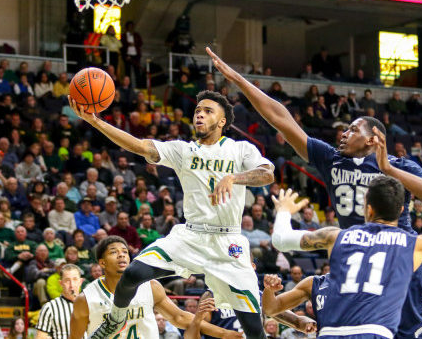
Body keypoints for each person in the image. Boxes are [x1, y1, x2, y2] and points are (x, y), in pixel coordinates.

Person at [207, 47, 422, 339]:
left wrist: (388, 168)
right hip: (363, 264)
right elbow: (280, 118)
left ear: (373, 139)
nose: (343, 134)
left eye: (352, 129)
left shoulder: (399, 165)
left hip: (407, 260)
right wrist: (239, 80)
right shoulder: (331, 159)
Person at [69, 87, 275, 338]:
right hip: (191, 236)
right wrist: (96, 121)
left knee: (254, 330)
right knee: (133, 273)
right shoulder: (183, 150)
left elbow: (267, 174)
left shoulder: (241, 149)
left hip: (229, 242)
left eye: (208, 111)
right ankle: (116, 318)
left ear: (222, 121)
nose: (199, 115)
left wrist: (234, 177)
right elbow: (139, 146)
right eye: (197, 110)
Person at [269, 179, 422, 338]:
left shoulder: (335, 236)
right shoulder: (416, 244)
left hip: (330, 333)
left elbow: (280, 239)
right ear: (401, 210)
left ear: (368, 209)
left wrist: (284, 211)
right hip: (375, 333)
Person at [69, 236, 243, 339]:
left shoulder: (150, 286)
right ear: (102, 262)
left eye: (124, 251)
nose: (121, 254)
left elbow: (180, 317)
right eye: (114, 252)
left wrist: (223, 334)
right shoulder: (86, 299)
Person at [36, 264, 84, 339]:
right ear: (61, 283)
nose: (72, 285)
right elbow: (41, 337)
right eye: (67, 280)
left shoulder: (90, 305)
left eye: (75, 279)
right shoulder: (50, 307)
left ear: (80, 281)